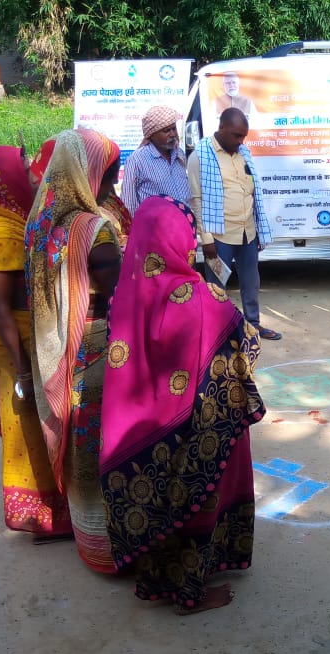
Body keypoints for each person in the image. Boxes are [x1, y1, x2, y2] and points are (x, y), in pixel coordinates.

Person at [101, 196, 265, 614]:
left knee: (157, 494)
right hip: (193, 426)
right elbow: (245, 345)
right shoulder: (200, 298)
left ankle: (156, 574)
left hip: (142, 433)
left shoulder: (124, 295)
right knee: (196, 492)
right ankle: (190, 591)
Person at [25, 128, 126, 573]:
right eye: (110, 173)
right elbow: (121, 295)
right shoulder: (94, 230)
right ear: (89, 174)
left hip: (56, 348)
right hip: (96, 349)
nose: (115, 183)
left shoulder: (40, 221)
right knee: (99, 447)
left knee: (77, 447)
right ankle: (109, 547)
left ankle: (86, 536)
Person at [0, 144, 71, 539]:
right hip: (20, 344)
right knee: (30, 426)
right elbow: (1, 310)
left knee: (41, 423)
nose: (31, 172)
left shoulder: (18, 220)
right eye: (22, 168)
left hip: (30, 337)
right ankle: (41, 516)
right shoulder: (2, 237)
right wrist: (23, 371)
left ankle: (53, 508)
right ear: (3, 183)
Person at [188, 108, 282, 340]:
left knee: (251, 283)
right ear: (221, 128)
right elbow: (196, 200)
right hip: (219, 235)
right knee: (216, 288)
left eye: (243, 136)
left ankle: (253, 327)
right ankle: (218, 334)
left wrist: (257, 227)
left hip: (247, 231)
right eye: (237, 135)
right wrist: (206, 239)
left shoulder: (244, 153)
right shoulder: (200, 155)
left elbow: (252, 191)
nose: (241, 141)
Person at [120, 105, 191, 215]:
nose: (173, 134)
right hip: (156, 225)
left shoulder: (179, 153)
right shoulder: (137, 160)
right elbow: (128, 204)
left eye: (174, 129)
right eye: (167, 131)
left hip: (185, 223)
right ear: (152, 135)